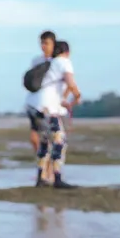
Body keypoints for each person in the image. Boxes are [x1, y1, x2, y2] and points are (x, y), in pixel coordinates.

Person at [28, 40, 81, 189]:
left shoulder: (47, 63)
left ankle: (40, 178)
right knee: (59, 142)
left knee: (44, 142)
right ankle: (57, 178)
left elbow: (57, 87)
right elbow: (71, 83)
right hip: (48, 108)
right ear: (67, 52)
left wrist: (63, 99)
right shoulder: (63, 62)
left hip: (33, 106)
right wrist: (77, 96)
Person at [26, 31, 56, 155]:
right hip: (35, 102)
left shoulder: (57, 61)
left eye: (46, 43)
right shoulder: (36, 60)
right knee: (34, 138)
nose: (43, 46)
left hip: (49, 104)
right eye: (42, 43)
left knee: (47, 138)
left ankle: (48, 168)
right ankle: (42, 164)